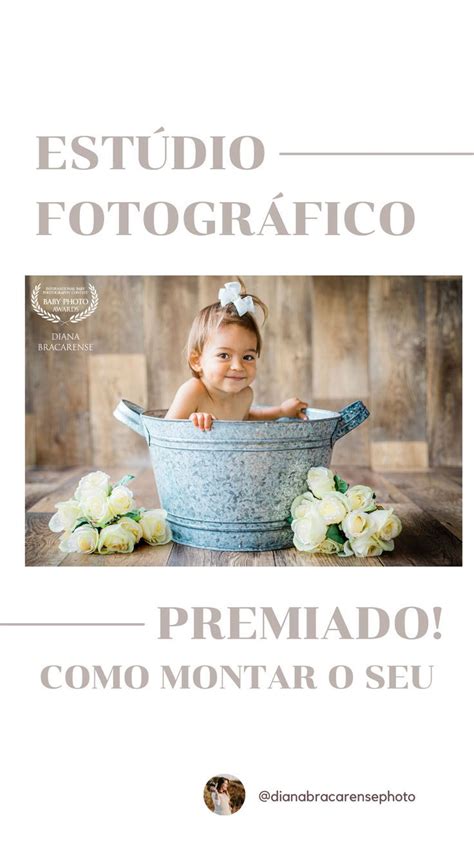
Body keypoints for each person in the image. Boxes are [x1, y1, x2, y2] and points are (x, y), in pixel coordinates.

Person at [165, 279, 308, 430]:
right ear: (197, 361)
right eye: (224, 355)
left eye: (248, 357)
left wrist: (281, 411)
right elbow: (164, 432)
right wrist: (192, 421)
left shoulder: (245, 395)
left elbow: (246, 419)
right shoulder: (193, 392)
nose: (238, 366)